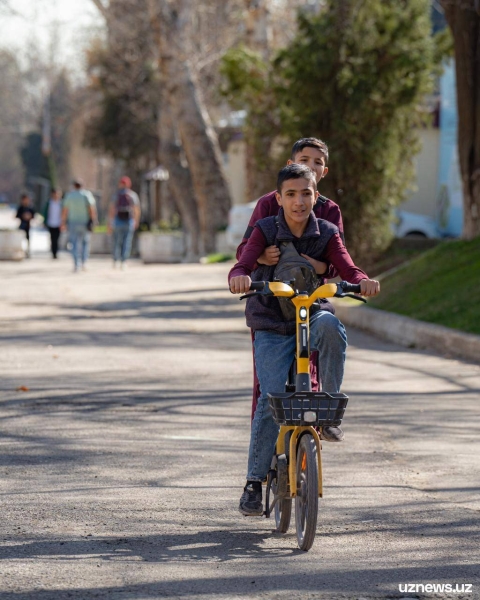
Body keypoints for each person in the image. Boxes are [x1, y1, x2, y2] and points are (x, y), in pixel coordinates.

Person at [229, 164, 380, 516]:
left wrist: (363, 281)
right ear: (278, 198)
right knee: (270, 399)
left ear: (316, 196)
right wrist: (239, 276)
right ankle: (253, 482)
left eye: (306, 194)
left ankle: (328, 408)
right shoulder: (265, 229)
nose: (299, 202)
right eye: (291, 195)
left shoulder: (326, 231)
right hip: (270, 321)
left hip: (310, 312)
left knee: (329, 325)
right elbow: (244, 263)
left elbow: (347, 267)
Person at [236, 138, 343, 419]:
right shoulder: (268, 204)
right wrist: (261, 258)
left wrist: (318, 267)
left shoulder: (329, 212)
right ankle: (266, 453)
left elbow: (338, 263)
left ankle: (311, 439)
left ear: (324, 172)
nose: (310, 166)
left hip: (308, 304)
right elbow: (243, 252)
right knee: (267, 387)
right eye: (303, 160)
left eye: (317, 162)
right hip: (270, 305)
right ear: (290, 165)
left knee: (311, 371)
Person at [61, 180, 97, 272]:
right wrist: (94, 220)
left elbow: (65, 210)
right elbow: (91, 208)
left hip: (73, 223)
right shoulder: (86, 195)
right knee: (85, 243)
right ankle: (84, 262)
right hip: (84, 223)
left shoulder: (70, 196)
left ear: (74, 186)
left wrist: (63, 222)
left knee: (74, 243)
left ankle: (76, 264)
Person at [107, 176, 140, 269]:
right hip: (129, 221)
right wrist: (136, 221)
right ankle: (124, 261)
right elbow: (136, 209)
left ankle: (116, 260)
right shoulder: (132, 195)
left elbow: (112, 209)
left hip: (117, 220)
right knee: (127, 242)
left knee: (117, 241)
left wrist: (110, 222)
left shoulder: (116, 195)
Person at [43, 188, 63, 259]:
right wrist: (44, 221)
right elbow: (45, 213)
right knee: (52, 238)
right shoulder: (49, 203)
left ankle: (56, 252)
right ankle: (53, 252)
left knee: (57, 239)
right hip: (51, 223)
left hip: (58, 223)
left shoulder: (61, 203)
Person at [16, 193, 35, 258]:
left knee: (28, 239)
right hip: (21, 225)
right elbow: (17, 216)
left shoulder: (30, 208)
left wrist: (29, 216)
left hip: (28, 226)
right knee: (20, 239)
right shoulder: (21, 208)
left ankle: (27, 251)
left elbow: (33, 216)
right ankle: (20, 251)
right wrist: (23, 216)